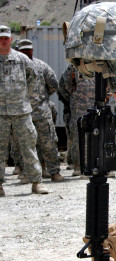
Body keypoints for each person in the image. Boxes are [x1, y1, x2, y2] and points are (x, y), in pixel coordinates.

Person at [0, 25, 49, 196]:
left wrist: (25, 98)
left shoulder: (22, 59)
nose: (3, 41)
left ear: (11, 40)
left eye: (6, 38)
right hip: (0, 114)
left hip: (21, 112)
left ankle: (36, 182)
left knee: (28, 147)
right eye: (0, 38)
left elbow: (34, 79)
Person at [17, 39, 64, 182]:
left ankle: (54, 172)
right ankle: (27, 173)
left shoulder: (41, 66)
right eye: (23, 50)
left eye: (28, 49)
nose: (26, 52)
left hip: (42, 112)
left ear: (32, 50)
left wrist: (42, 99)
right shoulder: (13, 68)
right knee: (26, 145)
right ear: (19, 51)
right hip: (22, 113)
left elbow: (54, 85)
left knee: (48, 143)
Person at [58, 63, 95, 176]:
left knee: (95, 135)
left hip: (95, 106)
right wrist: (74, 98)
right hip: (77, 107)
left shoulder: (98, 65)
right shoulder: (72, 68)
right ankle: (78, 165)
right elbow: (63, 88)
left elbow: (107, 85)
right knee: (77, 137)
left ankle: (94, 164)